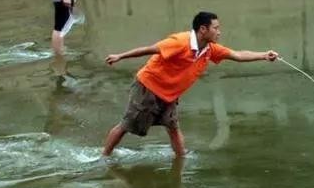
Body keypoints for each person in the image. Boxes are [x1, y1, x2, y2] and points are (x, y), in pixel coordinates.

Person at [102, 11, 278, 157]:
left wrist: (264, 55)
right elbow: (149, 49)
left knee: (173, 127)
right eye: (216, 28)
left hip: (169, 95)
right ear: (203, 29)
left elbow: (238, 55)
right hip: (148, 87)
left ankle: (181, 158)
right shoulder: (180, 42)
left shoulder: (210, 49)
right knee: (126, 126)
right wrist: (120, 56)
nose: (219, 32)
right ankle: (104, 157)